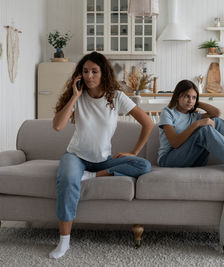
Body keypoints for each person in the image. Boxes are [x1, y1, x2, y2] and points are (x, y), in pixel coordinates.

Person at [50, 51, 154, 259]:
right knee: (68, 179)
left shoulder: (116, 97)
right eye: (85, 71)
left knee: (143, 166)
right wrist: (75, 96)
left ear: (103, 73)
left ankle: (90, 177)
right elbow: (58, 126)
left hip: (103, 161)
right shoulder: (77, 97)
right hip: (76, 156)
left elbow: (148, 123)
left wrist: (134, 152)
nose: (89, 76)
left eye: (94, 71)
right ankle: (64, 242)